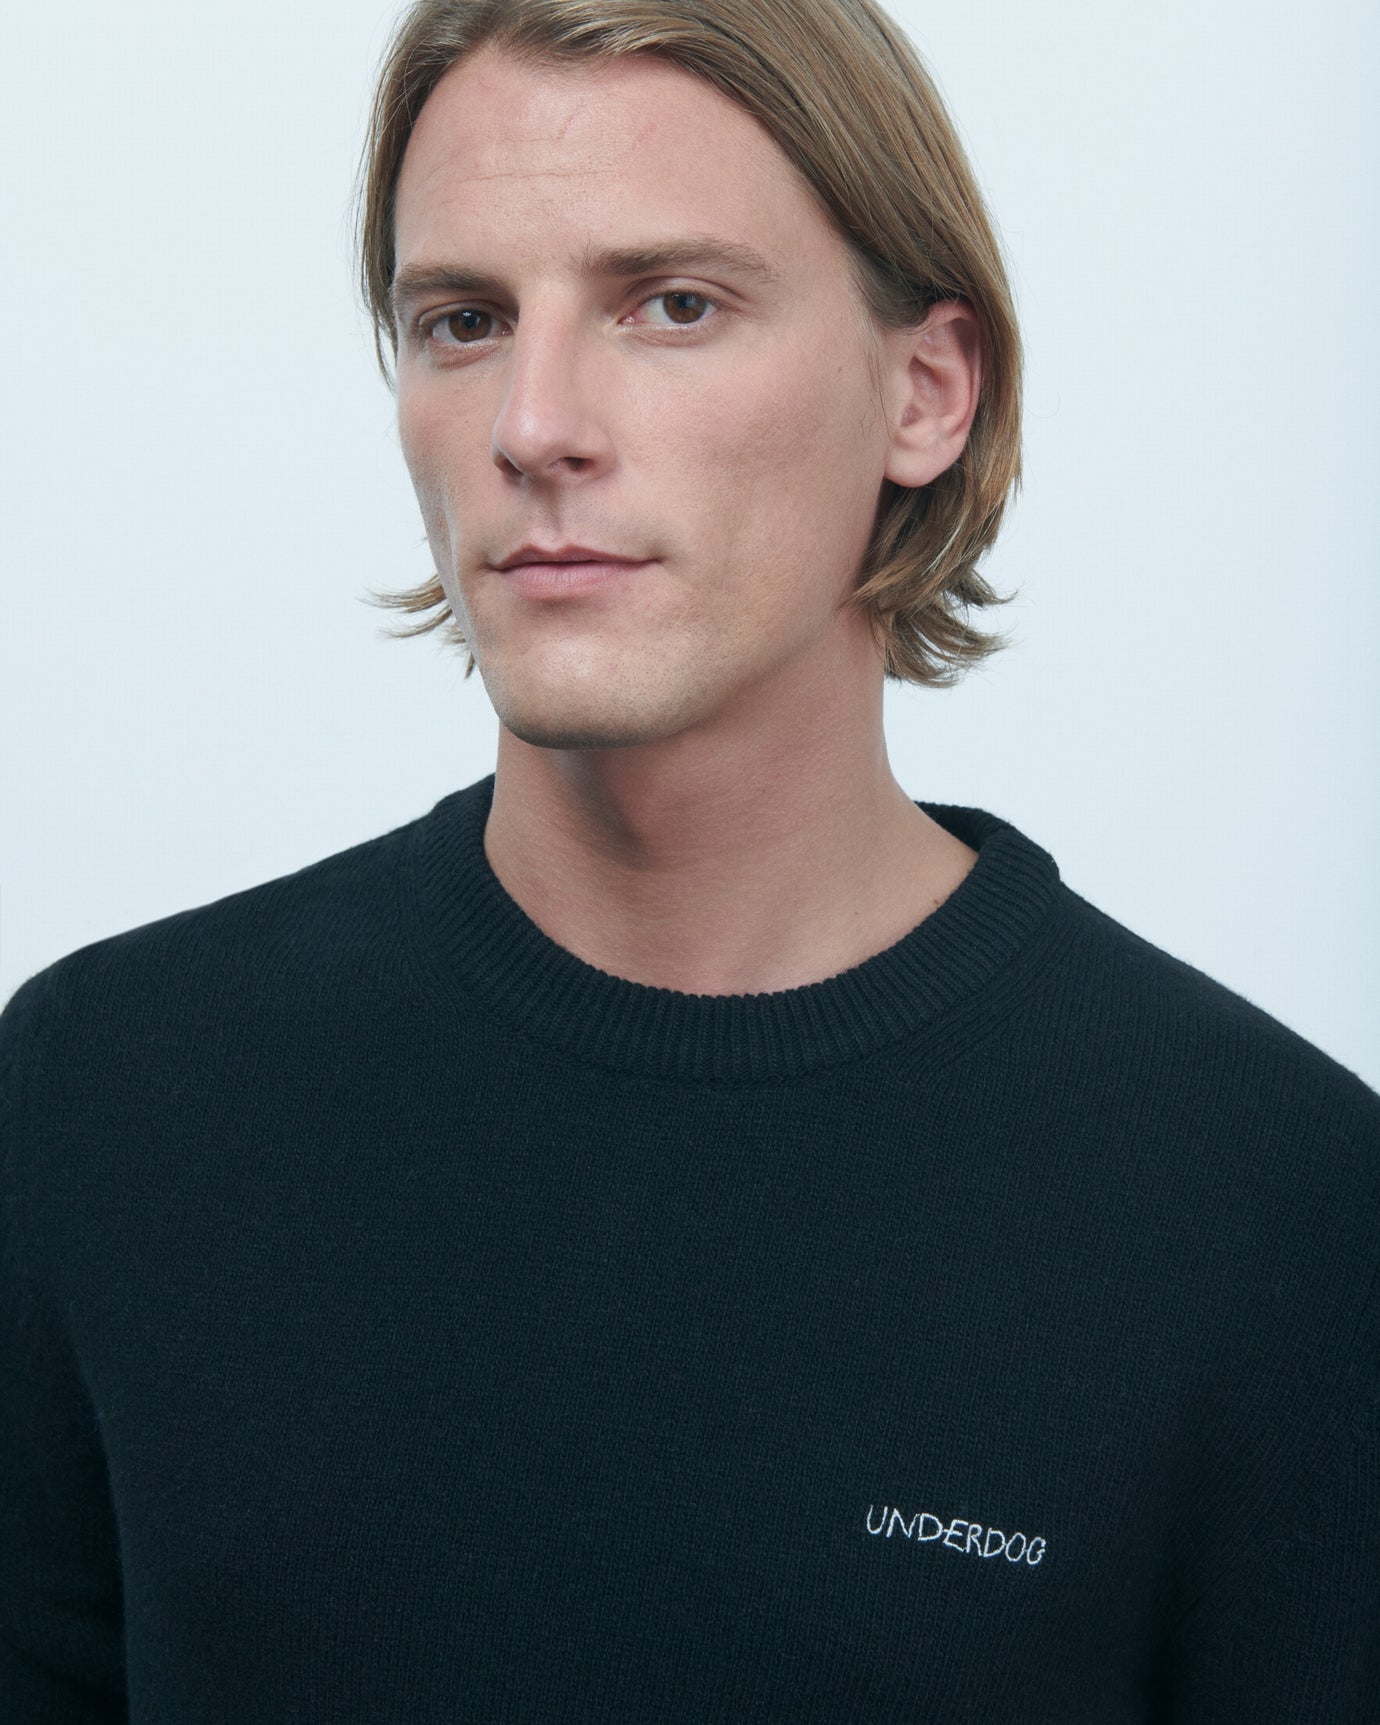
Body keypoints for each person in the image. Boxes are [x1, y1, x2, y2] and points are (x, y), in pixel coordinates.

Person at [2, 0, 1375, 1717]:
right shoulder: (109, 1098)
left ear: (926, 392)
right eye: (463, 321)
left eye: (672, 304)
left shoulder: (1274, 1214)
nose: (535, 423)